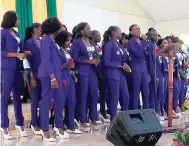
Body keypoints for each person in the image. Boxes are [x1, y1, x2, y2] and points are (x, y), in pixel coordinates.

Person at [38, 17, 69, 141]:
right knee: (46, 102)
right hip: (48, 75)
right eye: (59, 25)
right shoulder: (45, 40)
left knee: (60, 100)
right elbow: (46, 59)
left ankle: (58, 126)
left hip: (57, 74)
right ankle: (44, 129)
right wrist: (52, 77)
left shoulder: (53, 41)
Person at [1, 11, 28, 139]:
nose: (19, 21)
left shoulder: (16, 33)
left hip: (18, 67)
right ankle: (4, 126)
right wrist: (16, 55)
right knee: (5, 96)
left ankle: (20, 123)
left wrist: (25, 52)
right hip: (7, 68)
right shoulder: (3, 33)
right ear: (11, 19)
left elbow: (19, 49)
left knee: (18, 95)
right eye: (17, 18)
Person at [71, 22, 100, 132]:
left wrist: (97, 60)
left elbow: (95, 55)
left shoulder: (91, 42)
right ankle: (83, 121)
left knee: (94, 94)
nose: (90, 30)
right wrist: (88, 61)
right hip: (83, 71)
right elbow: (75, 57)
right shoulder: (77, 43)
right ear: (82, 31)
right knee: (83, 96)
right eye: (88, 28)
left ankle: (93, 119)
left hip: (92, 71)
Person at [55, 31, 82, 134]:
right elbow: (55, 65)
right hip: (61, 75)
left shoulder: (66, 51)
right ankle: (58, 126)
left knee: (72, 100)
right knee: (60, 102)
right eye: (67, 41)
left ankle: (70, 125)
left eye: (70, 41)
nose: (69, 43)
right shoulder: (58, 51)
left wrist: (70, 65)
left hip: (68, 75)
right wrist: (65, 65)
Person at [102, 26, 130, 120]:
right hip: (112, 73)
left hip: (121, 73)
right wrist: (118, 66)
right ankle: (113, 119)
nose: (121, 33)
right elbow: (106, 62)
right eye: (119, 31)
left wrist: (125, 64)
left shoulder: (118, 44)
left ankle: (124, 117)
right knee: (114, 97)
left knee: (126, 95)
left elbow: (123, 57)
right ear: (114, 33)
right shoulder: (109, 45)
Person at [24, 23, 42, 135]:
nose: (42, 31)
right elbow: (27, 61)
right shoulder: (29, 43)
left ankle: (40, 120)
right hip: (34, 74)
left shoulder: (42, 41)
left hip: (43, 74)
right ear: (35, 29)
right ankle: (34, 123)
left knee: (44, 99)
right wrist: (32, 77)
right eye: (40, 29)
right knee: (35, 99)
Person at [127, 24, 150, 110]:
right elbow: (138, 53)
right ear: (131, 32)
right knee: (135, 92)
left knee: (146, 92)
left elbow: (146, 55)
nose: (138, 31)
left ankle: (146, 112)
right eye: (136, 29)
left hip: (143, 68)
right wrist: (143, 43)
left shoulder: (142, 42)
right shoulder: (130, 42)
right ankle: (135, 111)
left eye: (139, 29)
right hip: (135, 67)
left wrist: (147, 72)